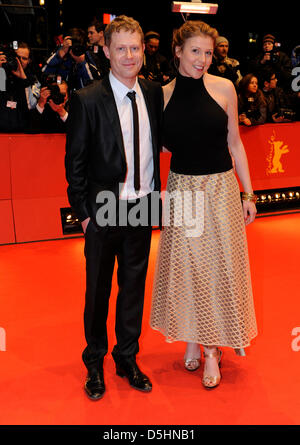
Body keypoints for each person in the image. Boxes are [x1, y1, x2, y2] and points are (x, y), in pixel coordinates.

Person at [150, 20, 258, 389]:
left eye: (208, 53)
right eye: (195, 51)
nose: (203, 59)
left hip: (220, 189)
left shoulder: (225, 87)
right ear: (178, 51)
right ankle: (193, 335)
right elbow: (160, 146)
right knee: (188, 268)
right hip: (182, 188)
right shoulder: (160, 95)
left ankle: (212, 350)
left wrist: (248, 193)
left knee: (216, 267)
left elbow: (236, 144)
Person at [65, 15, 163, 401]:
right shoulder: (87, 99)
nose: (128, 55)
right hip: (103, 209)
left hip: (140, 207)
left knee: (133, 289)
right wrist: (85, 215)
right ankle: (94, 364)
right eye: (120, 48)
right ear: (106, 51)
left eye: (134, 48)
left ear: (142, 51)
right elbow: (75, 165)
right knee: (98, 292)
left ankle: (126, 358)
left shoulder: (154, 93)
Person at [42, 28, 101, 93]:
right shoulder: (62, 52)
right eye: (73, 43)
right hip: (62, 99)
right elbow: (45, 71)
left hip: (82, 98)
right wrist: (61, 53)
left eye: (78, 44)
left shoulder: (87, 55)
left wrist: (82, 63)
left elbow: (94, 82)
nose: (75, 47)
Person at [0, 41, 40, 132]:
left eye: (24, 58)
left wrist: (24, 80)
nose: (20, 61)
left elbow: (31, 105)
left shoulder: (32, 79)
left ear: (29, 61)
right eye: (17, 57)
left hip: (21, 132)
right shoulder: (1, 74)